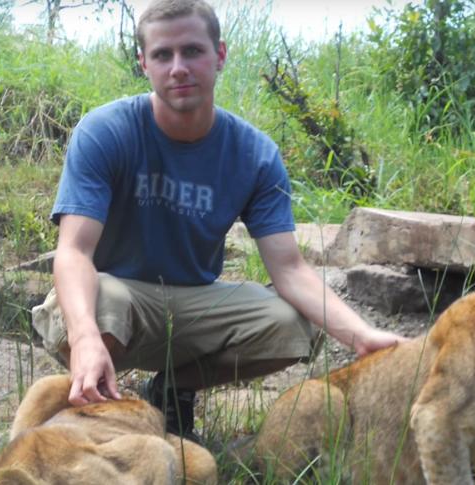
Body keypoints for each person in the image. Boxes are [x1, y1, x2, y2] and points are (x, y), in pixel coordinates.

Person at [31, 0, 407, 442]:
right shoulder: (106, 131)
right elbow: (74, 251)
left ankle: (174, 389)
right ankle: (92, 414)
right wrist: (86, 337)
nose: (178, 68)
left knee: (290, 324)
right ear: (143, 64)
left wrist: (361, 335)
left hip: (194, 303)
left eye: (192, 51)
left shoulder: (254, 154)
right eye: (162, 55)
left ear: (220, 55)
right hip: (112, 300)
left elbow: (289, 269)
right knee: (106, 299)